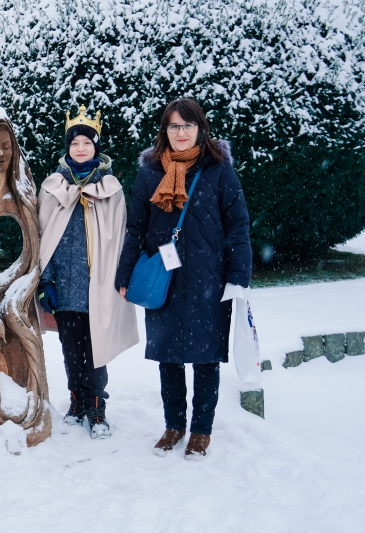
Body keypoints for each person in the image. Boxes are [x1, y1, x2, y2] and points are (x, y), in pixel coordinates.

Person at [115, 98, 252, 459]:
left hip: (210, 279)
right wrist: (125, 272)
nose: (180, 133)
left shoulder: (218, 169)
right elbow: (136, 227)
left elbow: (238, 225)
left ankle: (201, 431)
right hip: (165, 279)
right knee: (169, 356)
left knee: (206, 358)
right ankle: (173, 426)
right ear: (165, 130)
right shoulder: (150, 172)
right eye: (173, 126)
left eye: (187, 125)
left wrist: (239, 275)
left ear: (200, 128)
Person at [37, 105, 139, 439]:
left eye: (87, 143)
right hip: (65, 286)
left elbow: (119, 238)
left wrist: (119, 278)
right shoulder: (53, 187)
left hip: (99, 287)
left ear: (96, 147)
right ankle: (76, 400)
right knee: (71, 350)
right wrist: (46, 281)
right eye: (74, 143)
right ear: (67, 147)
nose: (80, 148)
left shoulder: (111, 188)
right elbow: (43, 238)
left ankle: (96, 407)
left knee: (96, 350)